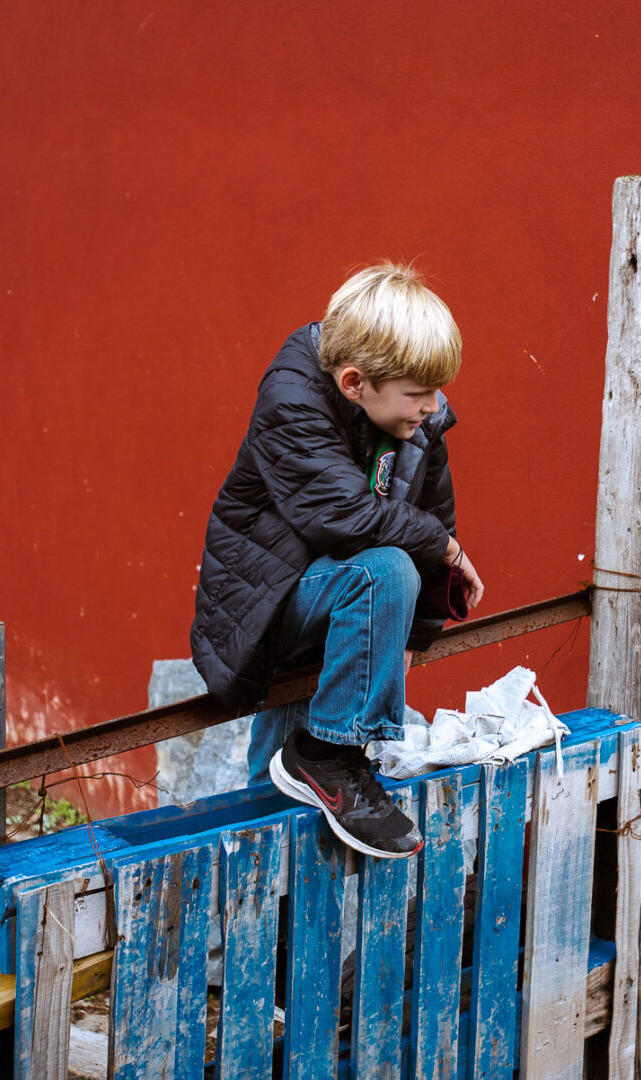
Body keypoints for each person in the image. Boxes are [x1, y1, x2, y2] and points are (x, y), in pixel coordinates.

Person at [190, 263, 484, 859]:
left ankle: (310, 784)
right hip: (272, 603)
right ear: (354, 383)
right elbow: (349, 519)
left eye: (436, 389)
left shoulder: (411, 415)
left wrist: (412, 637)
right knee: (385, 572)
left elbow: (434, 513)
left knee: (284, 772)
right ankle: (327, 762)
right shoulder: (292, 401)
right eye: (417, 393)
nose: (433, 406)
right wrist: (446, 551)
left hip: (344, 599)